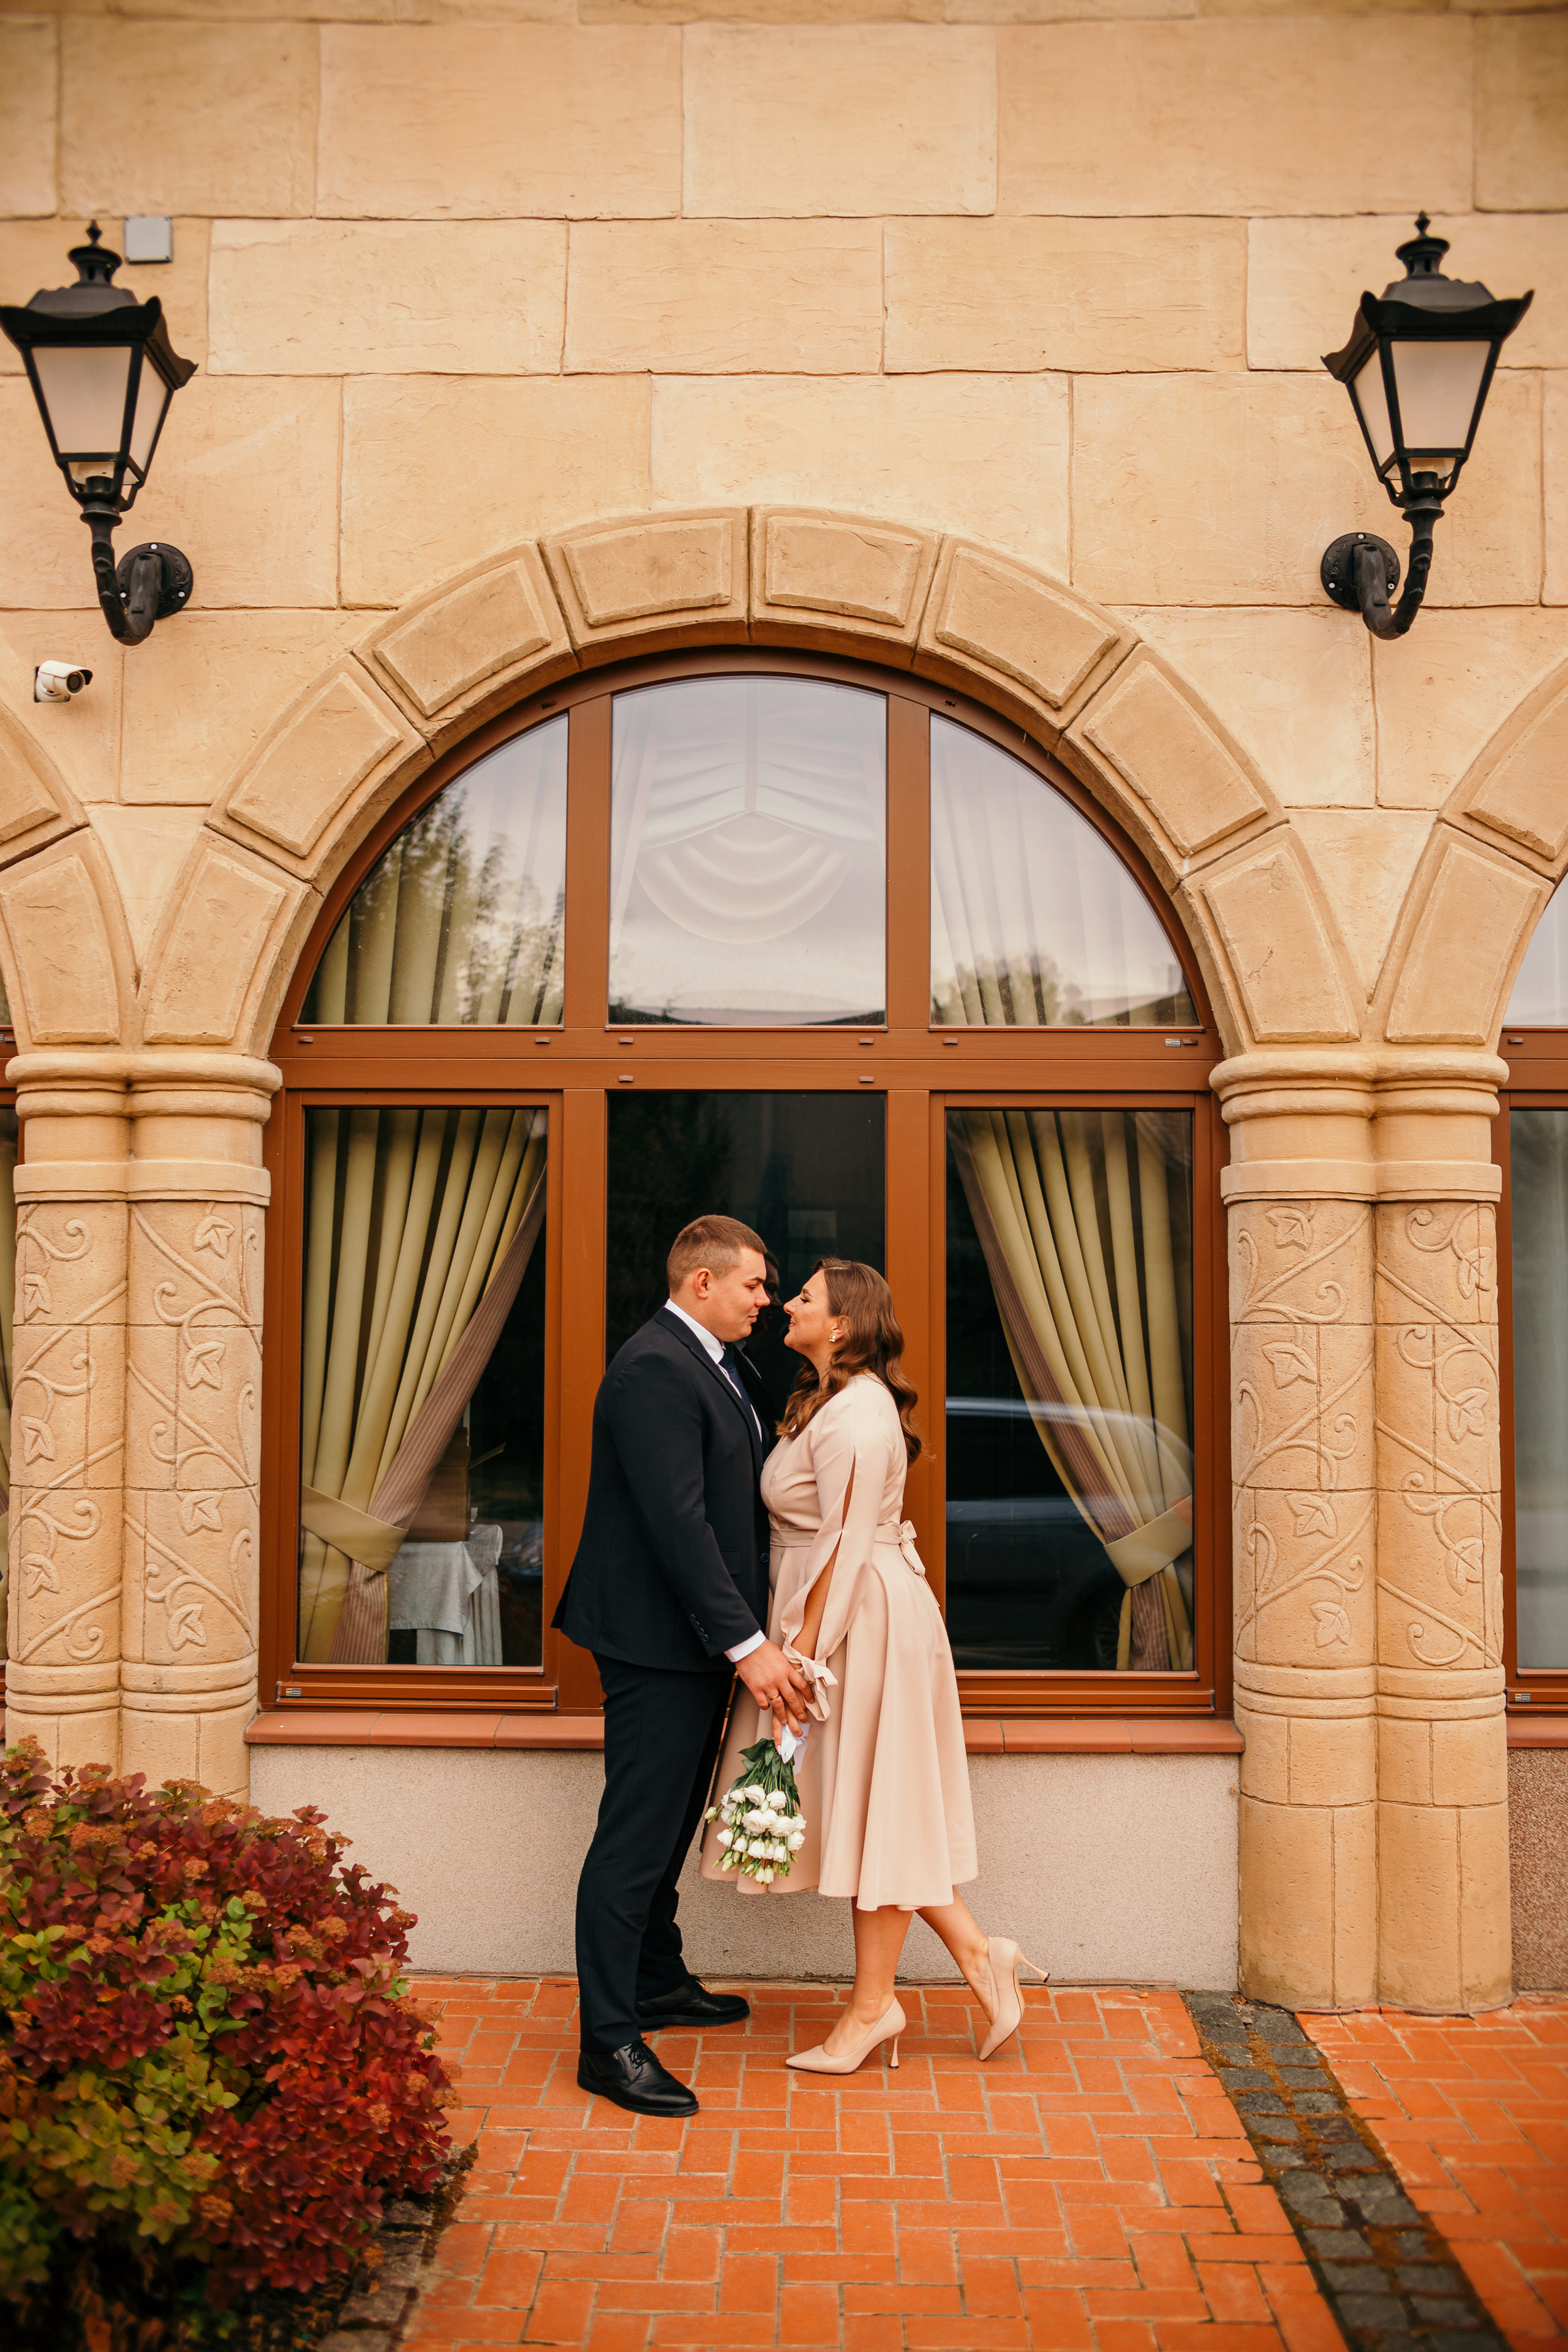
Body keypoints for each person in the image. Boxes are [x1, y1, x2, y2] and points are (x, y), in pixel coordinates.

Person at [703, 1258, 1046, 2071]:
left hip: (861, 1624)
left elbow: (846, 1546)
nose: (789, 1303)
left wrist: (801, 1661)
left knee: (881, 1809)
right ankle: (976, 1956)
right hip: (847, 1616)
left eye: (808, 1298)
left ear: (846, 1324)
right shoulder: (829, 1403)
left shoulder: (858, 1414)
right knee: (875, 1806)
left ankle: (872, 2010)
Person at [553, 1214, 810, 2118]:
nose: (766, 1301)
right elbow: (679, 1524)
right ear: (701, 1283)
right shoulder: (656, 1368)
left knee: (665, 1828)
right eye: (753, 1285)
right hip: (659, 1644)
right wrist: (748, 1647)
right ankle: (608, 2042)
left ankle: (658, 1980)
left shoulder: (712, 1360)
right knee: (633, 1839)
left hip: (693, 1642)